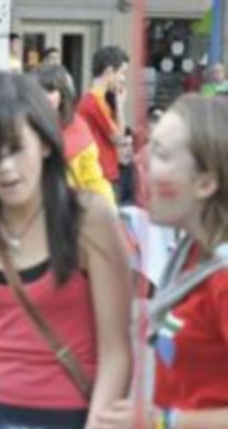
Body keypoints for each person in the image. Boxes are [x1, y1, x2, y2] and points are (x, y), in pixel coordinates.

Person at [0, 73, 132, 429]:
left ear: (45, 142)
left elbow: (116, 351)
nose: (5, 168)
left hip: (71, 417)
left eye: (15, 148)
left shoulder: (88, 219)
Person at [93, 95, 228, 429]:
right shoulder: (193, 255)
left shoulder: (222, 281)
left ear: (206, 182)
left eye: (162, 155)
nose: (143, 163)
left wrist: (161, 422)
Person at [35, 63, 116, 208]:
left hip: (66, 213)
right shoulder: (21, 126)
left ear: (62, 93)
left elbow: (93, 181)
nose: (45, 97)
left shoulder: (77, 127)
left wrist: (108, 213)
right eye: (40, 91)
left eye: (51, 90)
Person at [77, 46, 130, 191]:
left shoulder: (99, 99)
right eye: (122, 73)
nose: (123, 78)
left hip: (104, 173)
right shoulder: (93, 101)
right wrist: (120, 106)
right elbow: (119, 137)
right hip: (100, 176)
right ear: (109, 71)